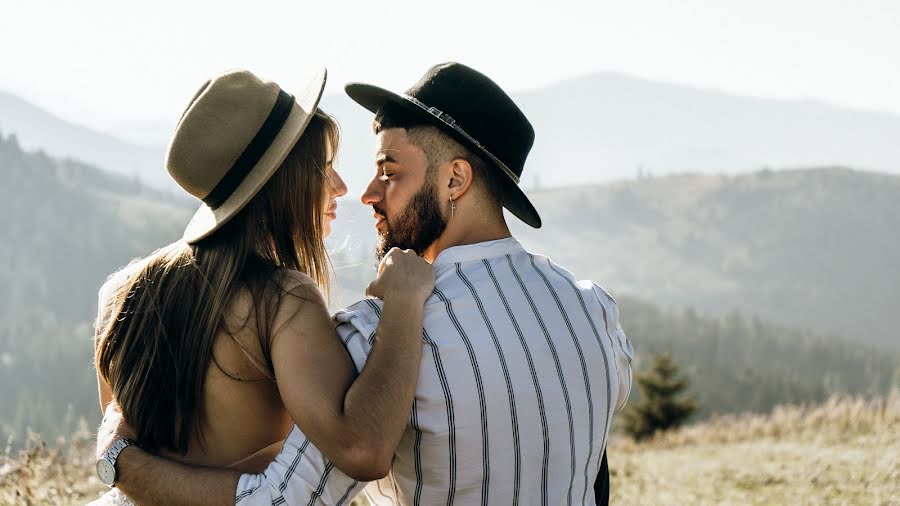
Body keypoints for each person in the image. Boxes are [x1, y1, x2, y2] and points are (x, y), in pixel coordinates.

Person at [96, 62, 634, 505]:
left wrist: (118, 462)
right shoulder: (594, 310)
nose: (365, 193)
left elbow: (281, 500)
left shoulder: (380, 335)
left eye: (390, 171)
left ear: (455, 179)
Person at [91, 69, 434, 504]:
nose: (341, 187)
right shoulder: (281, 301)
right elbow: (362, 450)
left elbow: (126, 447)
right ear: (281, 180)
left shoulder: (119, 294)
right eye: (324, 167)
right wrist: (403, 304)